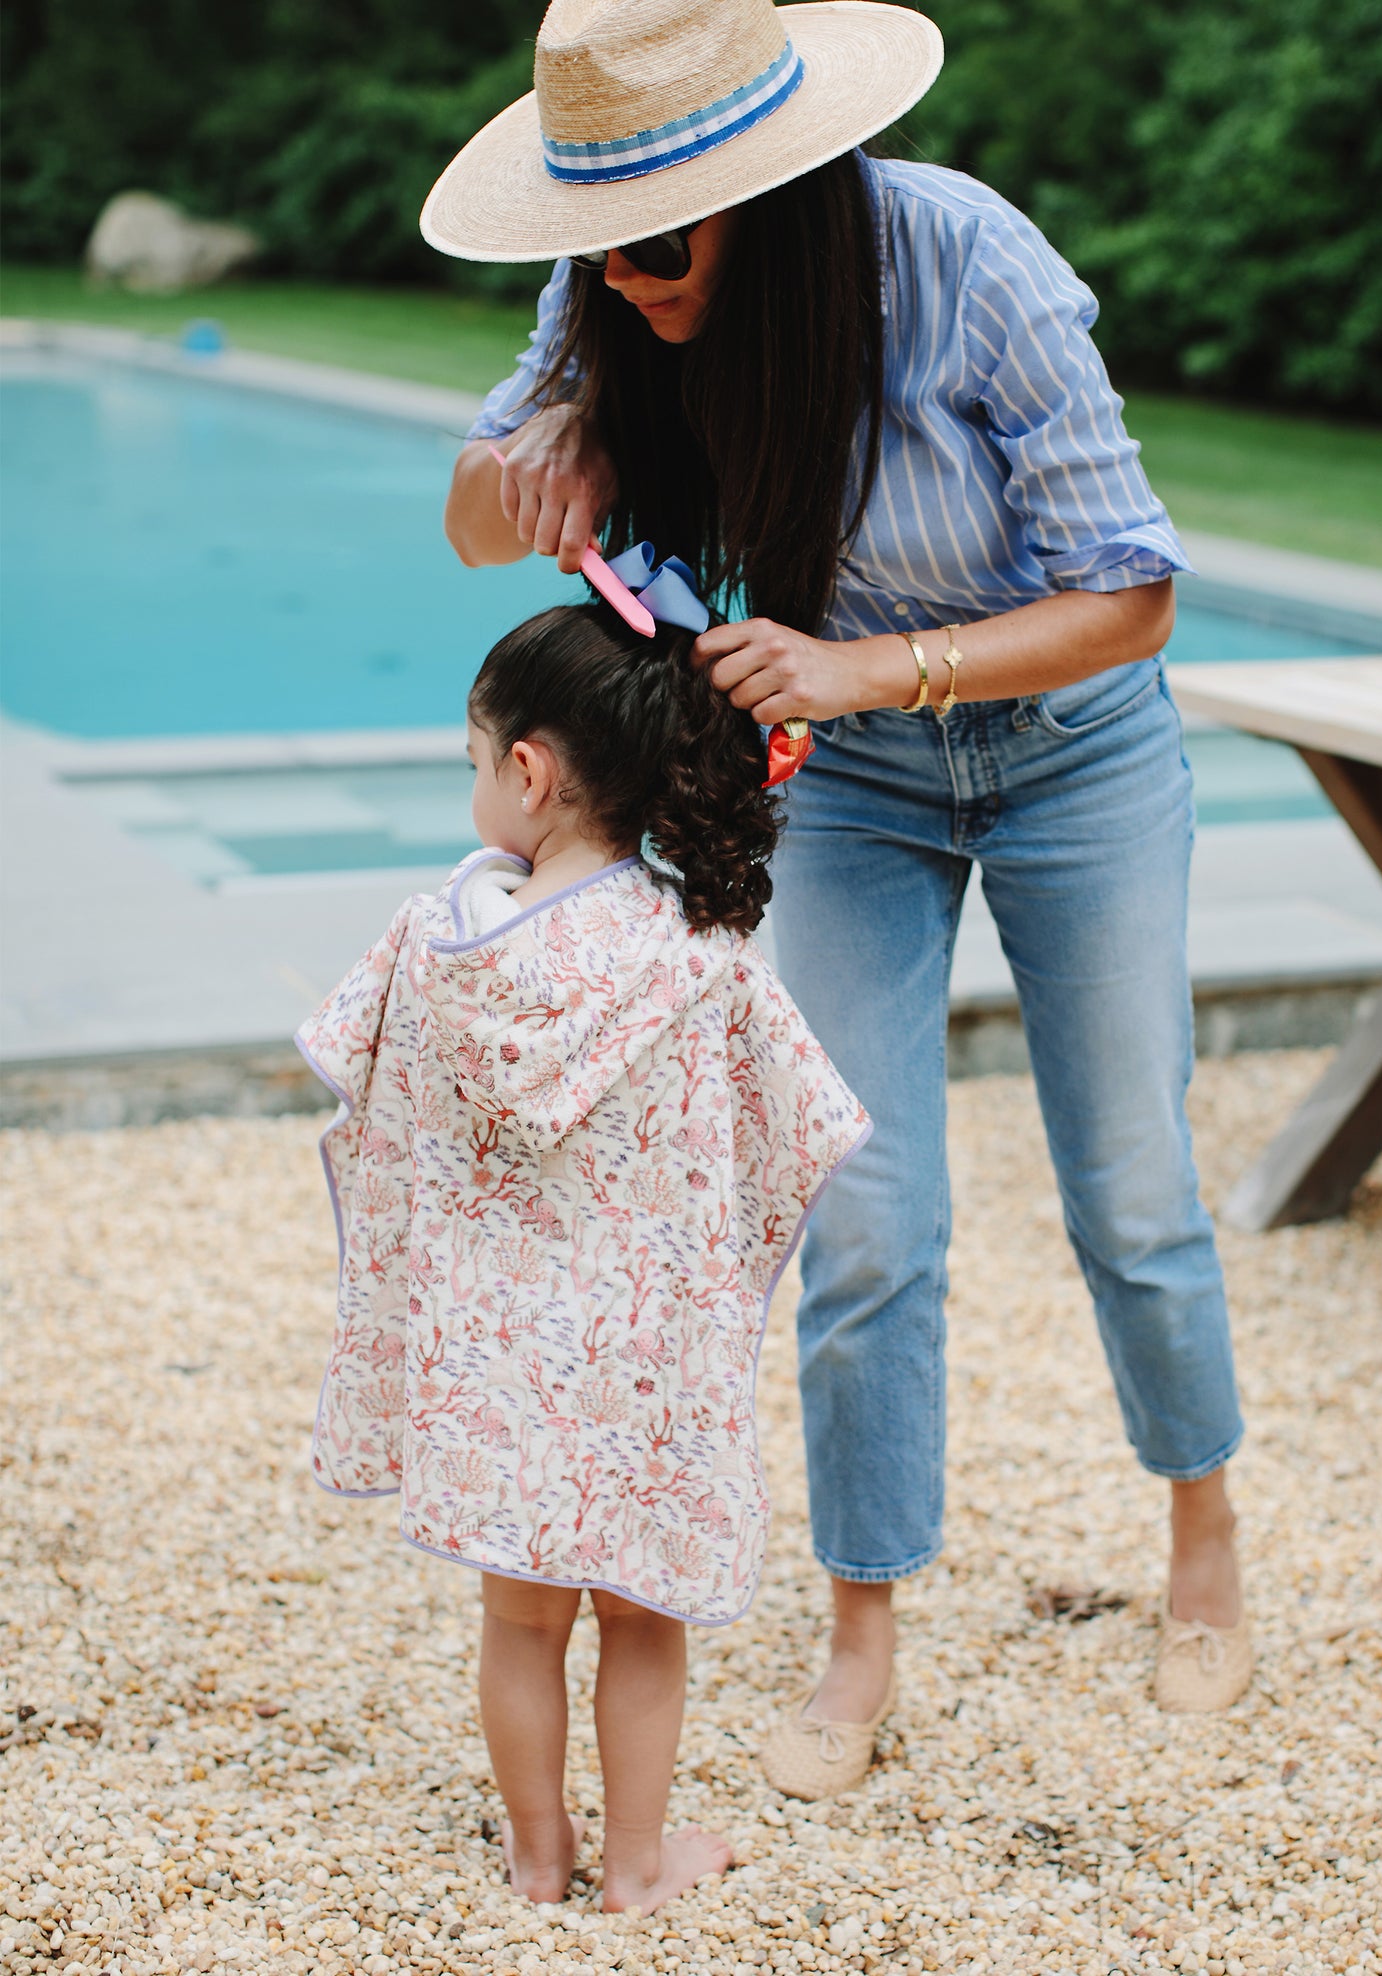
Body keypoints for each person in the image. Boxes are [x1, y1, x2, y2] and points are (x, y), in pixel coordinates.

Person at [429, 0, 1254, 1801]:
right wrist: (535, 459)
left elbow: (1135, 598)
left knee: (1129, 1181)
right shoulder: (609, 301)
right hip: (858, 785)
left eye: (662, 240)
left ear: (771, 197)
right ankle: (858, 1637)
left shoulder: (967, 261)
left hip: (1072, 757)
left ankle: (1199, 1541)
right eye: (606, 243)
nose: (634, 277)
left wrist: (869, 673)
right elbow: (472, 528)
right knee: (862, 1215)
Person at [297, 594, 869, 1906]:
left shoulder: (431, 946)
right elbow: (801, 1130)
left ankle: (536, 1858)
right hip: (642, 1374)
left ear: (531, 772)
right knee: (641, 1626)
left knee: (519, 1624)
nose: (473, 783)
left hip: (495, 1378)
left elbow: (363, 1100)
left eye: (473, 758)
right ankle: (633, 1867)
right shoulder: (701, 955)